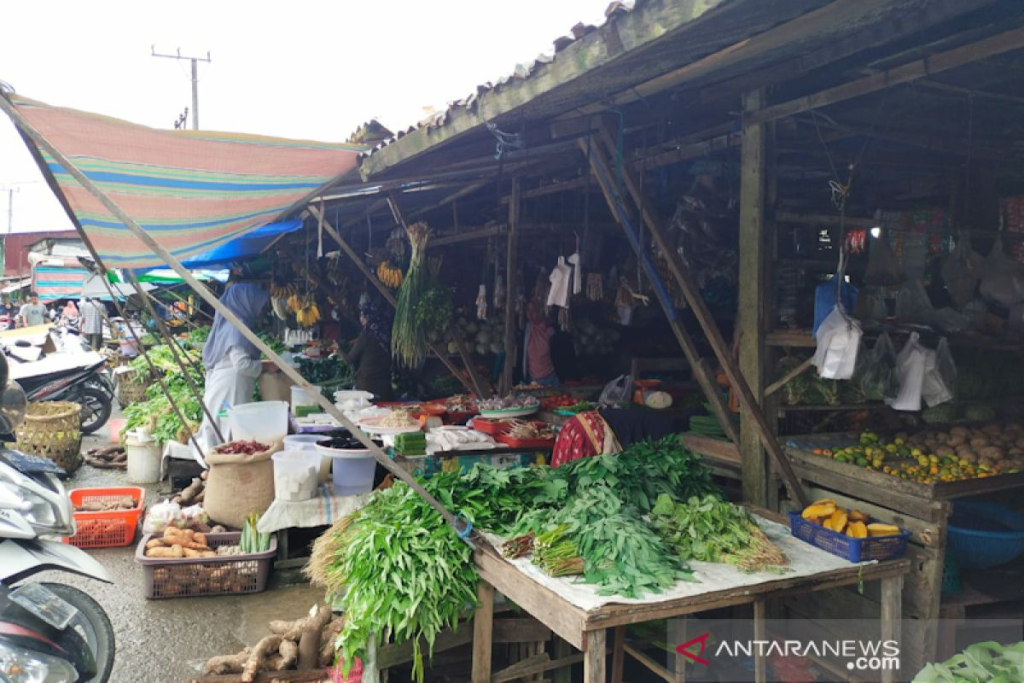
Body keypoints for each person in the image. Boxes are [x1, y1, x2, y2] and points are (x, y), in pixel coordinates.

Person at [196, 283, 274, 456]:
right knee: (227, 424)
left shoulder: (232, 324)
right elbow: (241, 364)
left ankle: (218, 463)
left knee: (224, 422)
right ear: (246, 302)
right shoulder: (235, 328)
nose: (262, 311)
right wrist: (265, 366)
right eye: (260, 305)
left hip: (228, 383)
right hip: (230, 385)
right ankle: (220, 465)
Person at [347, 301, 394, 400]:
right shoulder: (387, 335)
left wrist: (338, 348)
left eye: (363, 316)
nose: (361, 319)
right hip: (385, 388)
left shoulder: (365, 336)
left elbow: (349, 359)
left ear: (369, 318)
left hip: (366, 389)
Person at [522, 301, 559, 386]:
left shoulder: (549, 330)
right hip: (533, 380)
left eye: (534, 310)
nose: (530, 314)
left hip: (551, 378)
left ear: (541, 311)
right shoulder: (526, 329)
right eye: (528, 310)